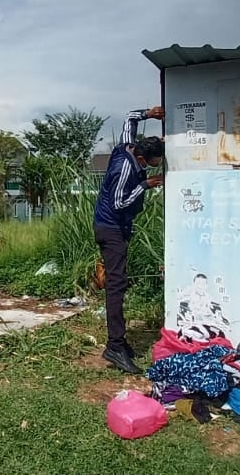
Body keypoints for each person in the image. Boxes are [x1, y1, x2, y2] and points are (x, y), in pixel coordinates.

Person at [94, 106, 165, 374]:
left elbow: (129, 118)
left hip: (115, 226)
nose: (159, 165)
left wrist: (151, 113)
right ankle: (114, 345)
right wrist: (145, 185)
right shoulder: (126, 168)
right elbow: (119, 201)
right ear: (145, 159)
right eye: (157, 160)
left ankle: (119, 342)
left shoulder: (127, 146)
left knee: (119, 281)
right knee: (116, 285)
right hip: (110, 227)